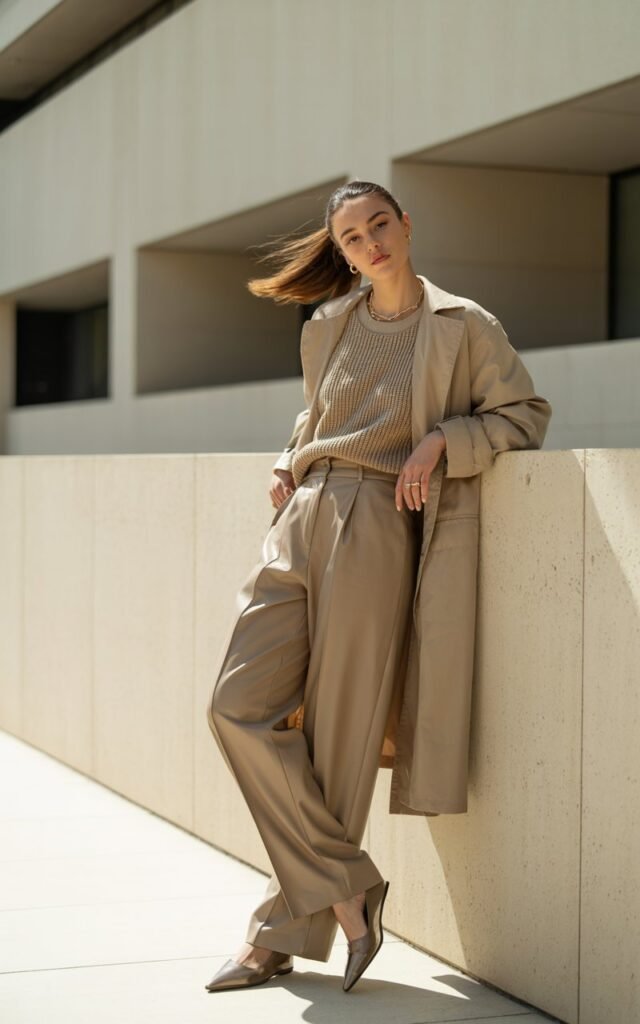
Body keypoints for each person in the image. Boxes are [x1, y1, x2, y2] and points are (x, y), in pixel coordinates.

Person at [204, 180, 552, 994]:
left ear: (405, 225)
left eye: (379, 226)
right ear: (343, 251)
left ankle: (274, 937)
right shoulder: (327, 324)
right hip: (303, 515)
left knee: (338, 738)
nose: (369, 245)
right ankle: (353, 883)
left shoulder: (464, 325)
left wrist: (443, 440)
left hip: (379, 521)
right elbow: (320, 414)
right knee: (235, 706)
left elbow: (524, 414)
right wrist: (289, 454)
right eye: (352, 239)